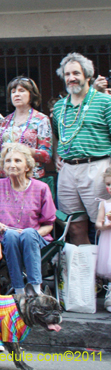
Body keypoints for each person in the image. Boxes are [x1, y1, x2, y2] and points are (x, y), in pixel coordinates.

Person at [0, 144, 55, 296]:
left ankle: (35, 290)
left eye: (17, 161)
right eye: (8, 161)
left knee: (28, 234)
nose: (12, 165)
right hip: (6, 240)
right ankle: (19, 291)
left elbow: (49, 225)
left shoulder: (41, 188)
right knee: (11, 235)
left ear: (27, 166)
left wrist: (30, 233)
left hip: (35, 240)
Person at [51, 53, 111, 245]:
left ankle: (105, 264)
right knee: (74, 226)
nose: (71, 78)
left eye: (76, 73)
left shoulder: (105, 102)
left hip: (98, 167)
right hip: (67, 170)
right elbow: (58, 136)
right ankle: (86, 264)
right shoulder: (59, 107)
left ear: (87, 75)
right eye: (67, 74)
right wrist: (57, 156)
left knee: (104, 224)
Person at [0, 76, 52, 184]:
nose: (16, 94)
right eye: (13, 92)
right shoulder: (5, 121)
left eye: (22, 91)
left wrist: (20, 149)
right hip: (6, 179)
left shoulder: (41, 120)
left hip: (31, 179)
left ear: (31, 95)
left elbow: (47, 156)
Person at [96, 167, 111, 280]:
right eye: (108, 184)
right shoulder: (104, 204)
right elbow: (98, 223)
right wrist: (104, 226)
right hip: (108, 239)